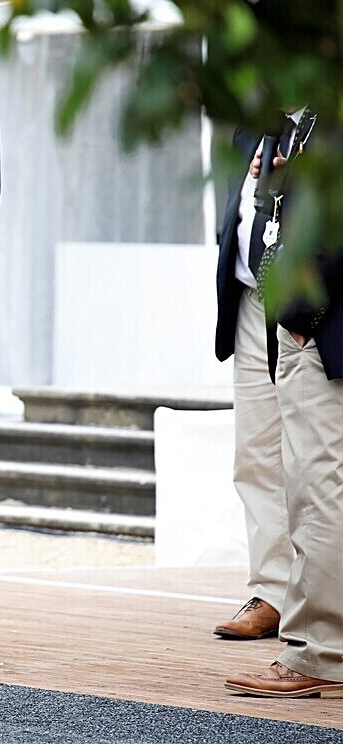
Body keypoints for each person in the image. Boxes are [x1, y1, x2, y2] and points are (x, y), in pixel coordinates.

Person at [226, 112, 343, 698]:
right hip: (295, 316)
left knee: (317, 485)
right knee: (304, 478)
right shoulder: (293, 117)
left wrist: (299, 315)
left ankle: (320, 654)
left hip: (314, 323)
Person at [209, 121, 297, 641]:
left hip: (312, 305)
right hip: (249, 299)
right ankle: (274, 591)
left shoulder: (322, 126)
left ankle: (320, 600)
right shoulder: (247, 127)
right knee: (257, 454)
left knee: (317, 459)